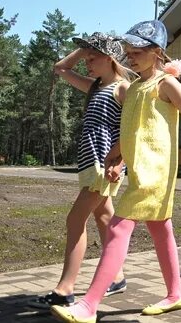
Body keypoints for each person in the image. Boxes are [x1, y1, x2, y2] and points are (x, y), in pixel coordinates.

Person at [51, 20, 181, 323]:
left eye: (137, 52)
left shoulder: (167, 84)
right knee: (161, 230)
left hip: (156, 172)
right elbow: (129, 129)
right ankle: (175, 294)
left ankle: (89, 305)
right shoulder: (135, 86)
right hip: (139, 170)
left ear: (157, 52)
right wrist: (114, 158)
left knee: (119, 228)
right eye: (128, 52)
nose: (130, 57)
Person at [30, 34, 132, 310]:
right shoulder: (94, 87)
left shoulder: (123, 89)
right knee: (104, 216)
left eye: (93, 57)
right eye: (86, 58)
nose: (87, 62)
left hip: (104, 165)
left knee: (75, 219)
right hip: (90, 162)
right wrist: (82, 49)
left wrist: (119, 162)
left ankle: (65, 289)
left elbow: (131, 130)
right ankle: (117, 276)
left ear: (110, 58)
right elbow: (61, 69)